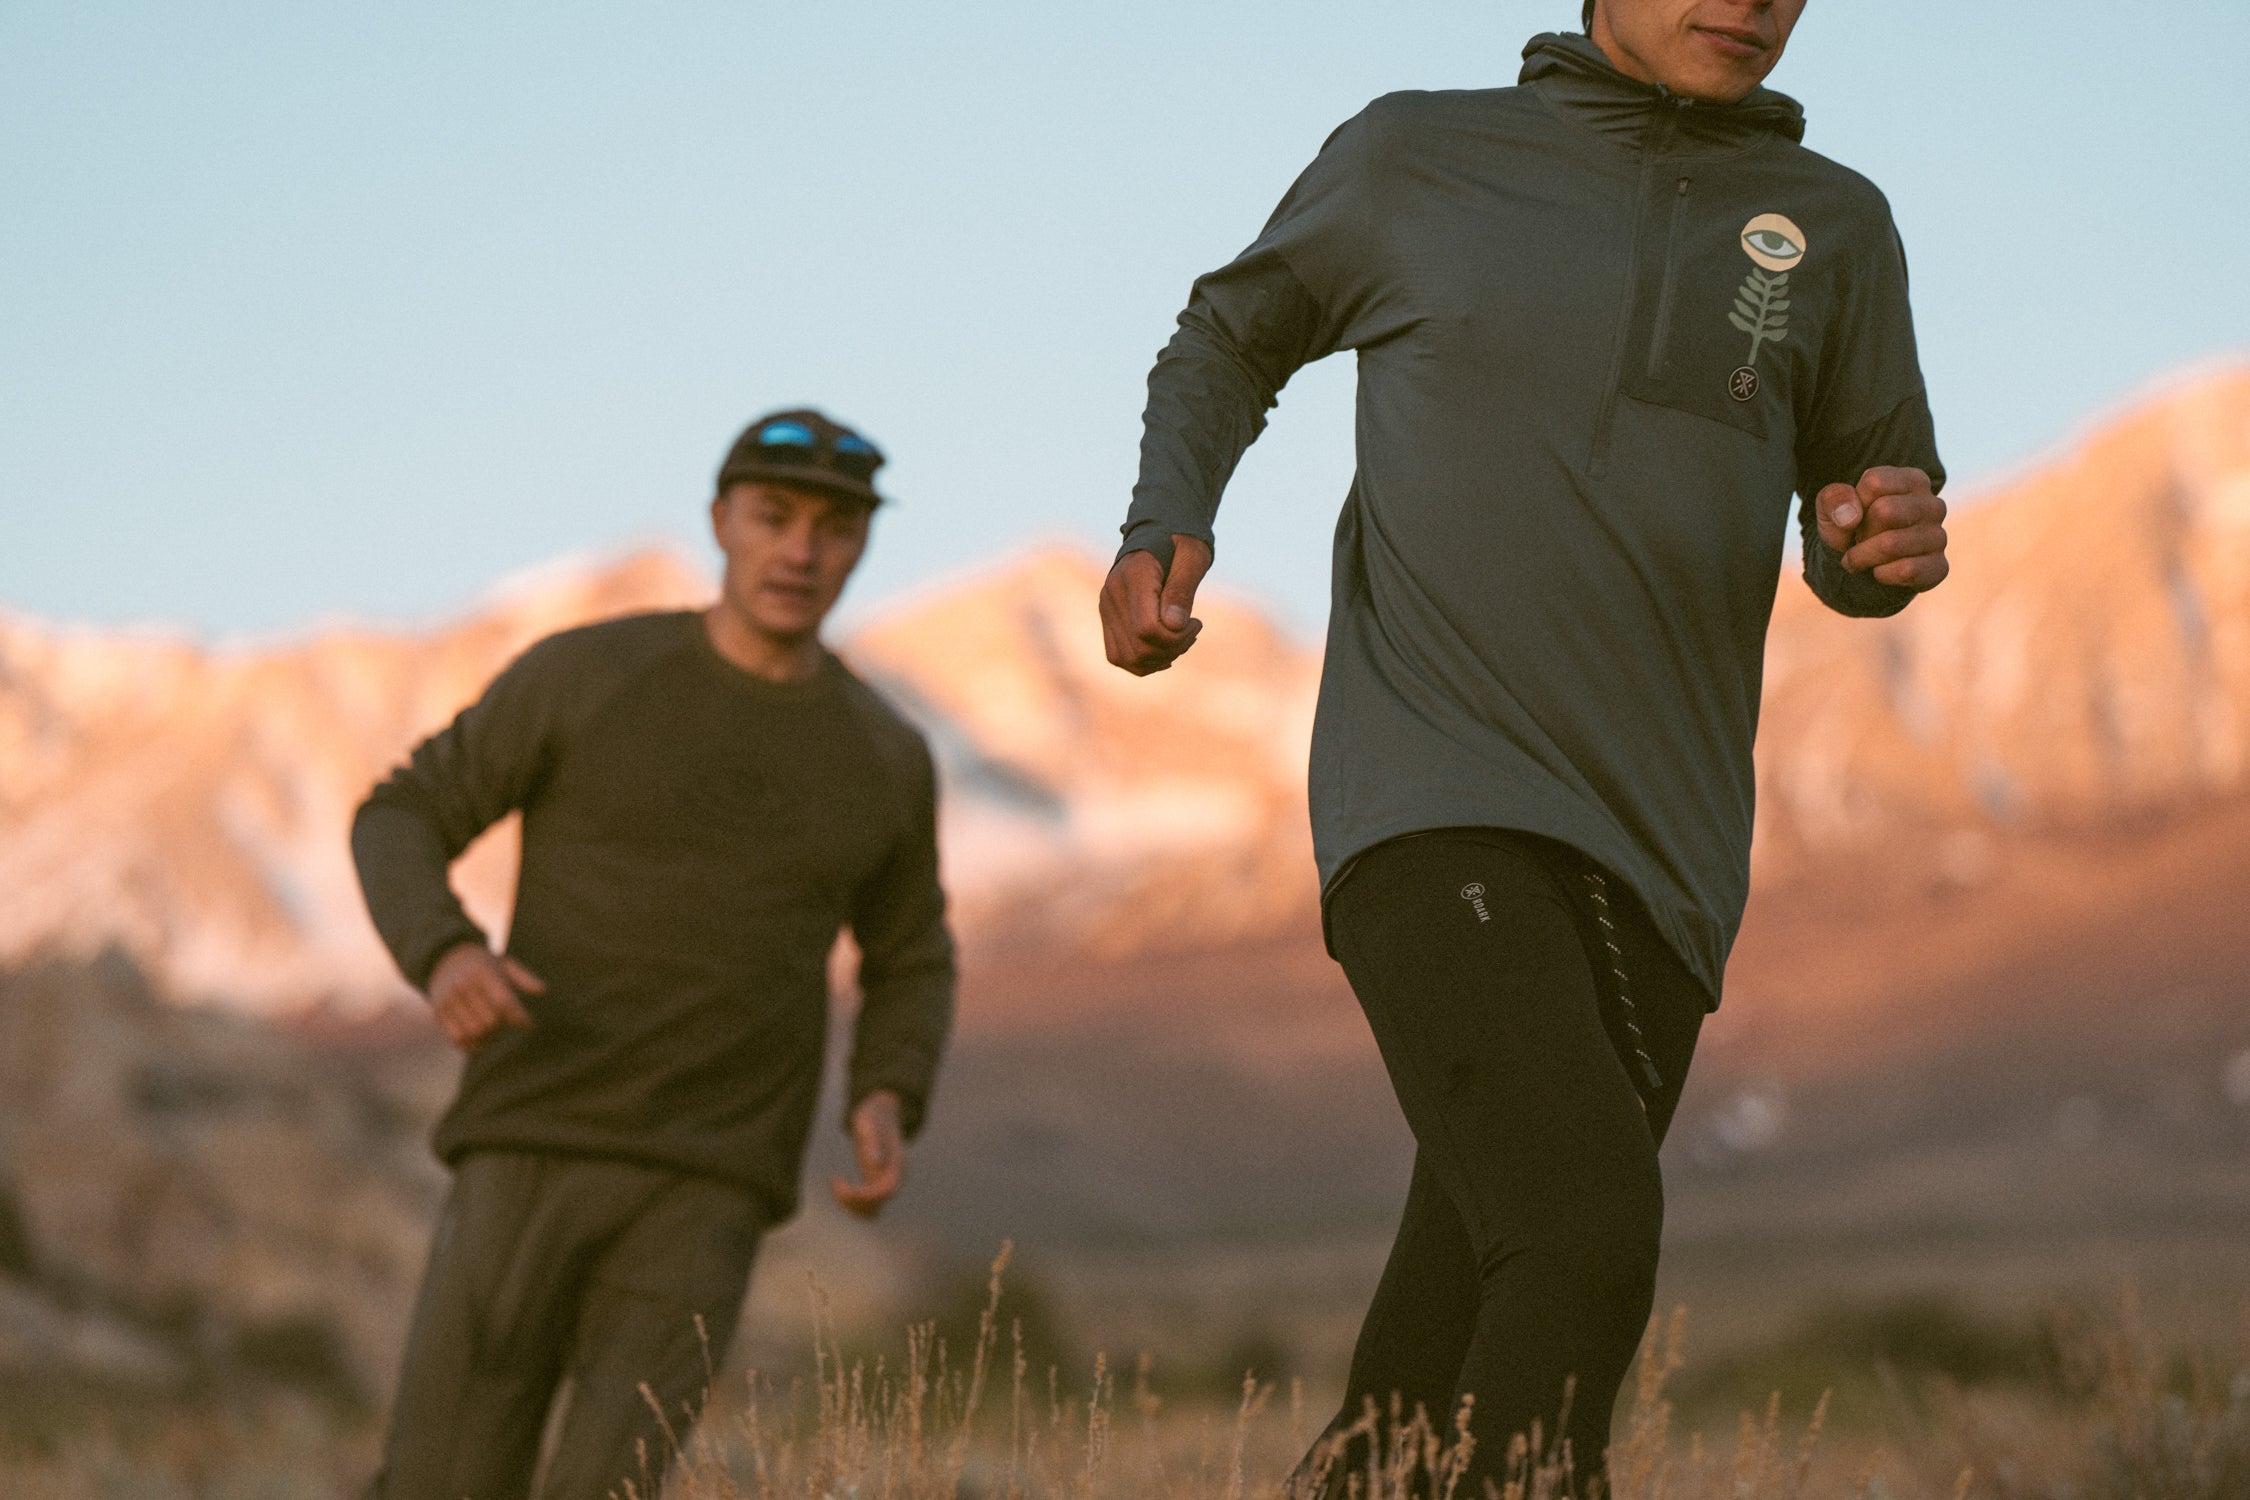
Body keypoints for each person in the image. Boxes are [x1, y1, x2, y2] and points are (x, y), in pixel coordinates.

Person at [1100, 1, 1949, 1492]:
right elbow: (1230, 332)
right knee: (1581, 1230)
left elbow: (1864, 511)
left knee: (1440, 1348)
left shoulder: (1837, 228)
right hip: (1433, 795)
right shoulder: (1415, 157)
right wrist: (1167, 514)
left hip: (1671, 857)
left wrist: (1877, 544)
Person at [352, 409, 954, 1500]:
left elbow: (910, 953)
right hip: (534, 1140)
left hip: (711, 1186)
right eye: (773, 517)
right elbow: (402, 813)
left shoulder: (884, 754)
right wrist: (444, 954)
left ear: (864, 543)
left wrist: (887, 1091)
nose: (801, 552)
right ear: (720, 521)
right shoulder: (587, 676)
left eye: (834, 529)